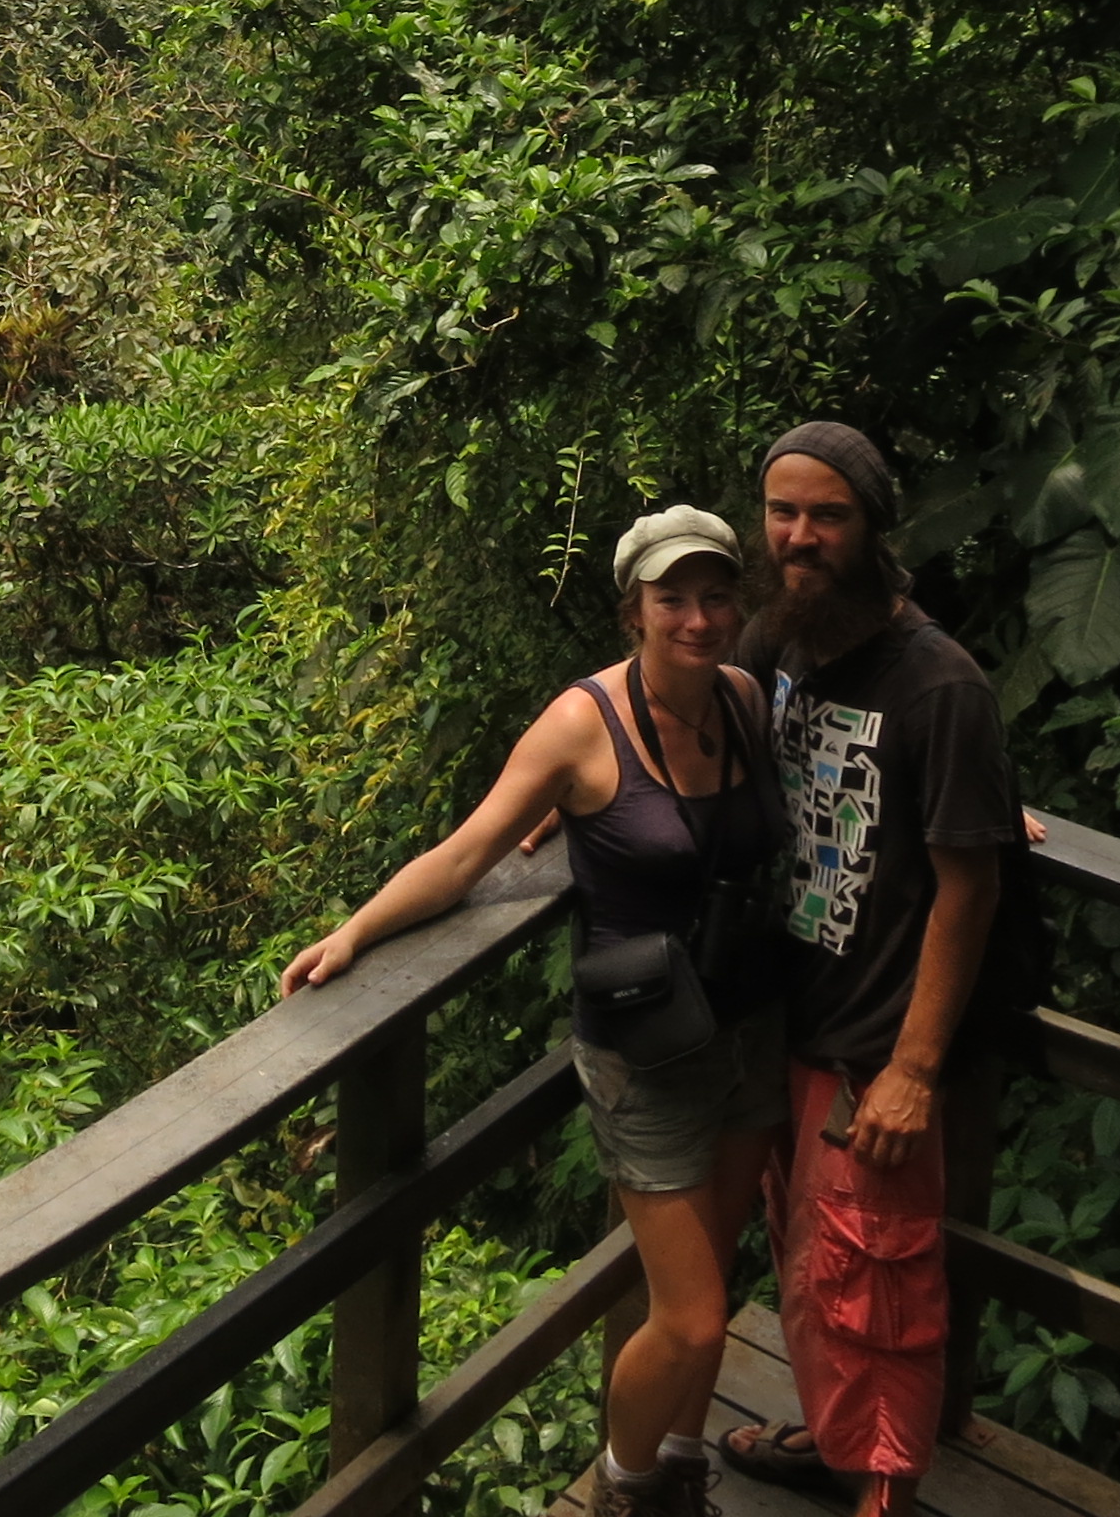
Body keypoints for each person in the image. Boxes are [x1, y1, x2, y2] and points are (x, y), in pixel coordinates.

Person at [285, 506, 785, 1517]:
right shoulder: (579, 726)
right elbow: (465, 856)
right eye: (672, 599)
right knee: (691, 1318)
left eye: (715, 596)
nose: (697, 618)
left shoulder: (742, 699)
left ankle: (681, 1462)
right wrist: (357, 931)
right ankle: (625, 1486)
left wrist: (976, 798)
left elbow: (829, 791)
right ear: (633, 610)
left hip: (748, 1030)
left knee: (718, 1276)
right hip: (644, 1055)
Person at [718, 420, 1026, 1517]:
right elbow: (684, 723)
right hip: (788, 1018)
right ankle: (827, 1439)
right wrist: (557, 792)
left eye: (828, 515)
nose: (800, 536)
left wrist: (915, 1068)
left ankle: (880, 1493)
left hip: (872, 1047)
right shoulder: (779, 638)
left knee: (875, 1286)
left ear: (874, 525)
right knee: (809, 1262)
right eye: (782, 512)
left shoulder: (939, 686)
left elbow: (968, 888)